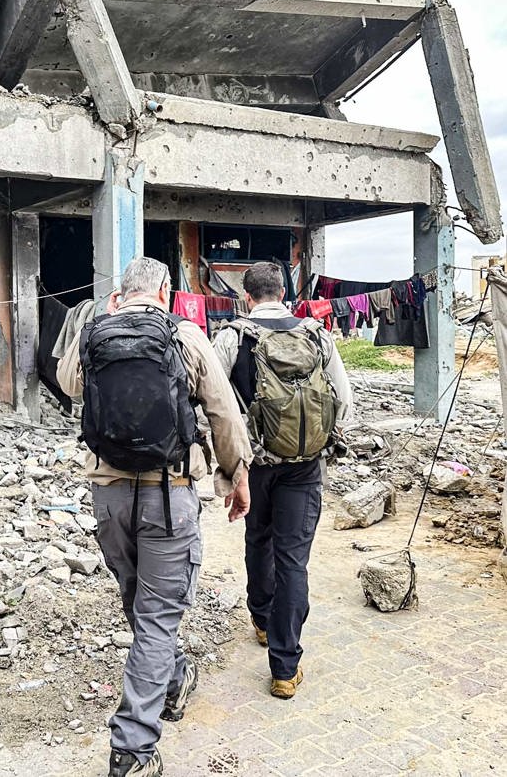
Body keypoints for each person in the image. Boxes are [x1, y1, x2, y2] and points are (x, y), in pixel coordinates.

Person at [56, 256, 252, 777]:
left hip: (109, 495)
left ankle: (173, 678)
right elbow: (222, 411)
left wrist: (105, 334)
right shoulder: (185, 335)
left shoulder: (96, 331)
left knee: (140, 604)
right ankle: (133, 750)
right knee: (158, 615)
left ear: (120, 294)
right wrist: (236, 475)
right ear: (166, 291)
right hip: (170, 494)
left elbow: (67, 382)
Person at [213, 261, 353, 699]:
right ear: (283, 294)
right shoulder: (316, 334)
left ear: (247, 297)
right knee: (292, 559)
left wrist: (231, 463)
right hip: (305, 466)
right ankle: (285, 668)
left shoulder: (232, 337)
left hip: (254, 465)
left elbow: (214, 405)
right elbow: (343, 399)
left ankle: (260, 619)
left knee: (258, 540)